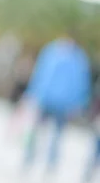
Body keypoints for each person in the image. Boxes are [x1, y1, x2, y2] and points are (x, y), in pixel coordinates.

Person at [22, 33, 91, 175]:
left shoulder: (55, 54)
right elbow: (41, 75)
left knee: (49, 134)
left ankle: (42, 162)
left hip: (56, 103)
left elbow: (41, 75)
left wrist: (32, 94)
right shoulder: (74, 58)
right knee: (45, 133)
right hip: (52, 101)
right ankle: (37, 161)